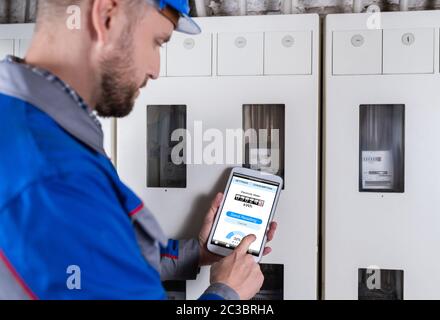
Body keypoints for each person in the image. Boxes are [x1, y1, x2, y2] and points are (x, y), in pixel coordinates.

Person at [0, 0, 277, 300]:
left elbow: (102, 266)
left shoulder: (33, 126)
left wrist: (198, 252)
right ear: (106, 16)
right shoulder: (57, 172)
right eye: (157, 42)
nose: (156, 70)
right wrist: (226, 294)